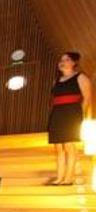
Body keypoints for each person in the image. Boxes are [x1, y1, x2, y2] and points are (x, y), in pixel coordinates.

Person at [48, 52, 92, 185]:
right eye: (61, 60)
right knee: (58, 148)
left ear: (73, 63)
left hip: (71, 113)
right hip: (57, 113)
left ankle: (68, 178)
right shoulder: (57, 80)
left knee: (69, 146)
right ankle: (59, 177)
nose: (62, 62)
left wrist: (80, 115)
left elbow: (87, 98)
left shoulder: (81, 77)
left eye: (66, 59)